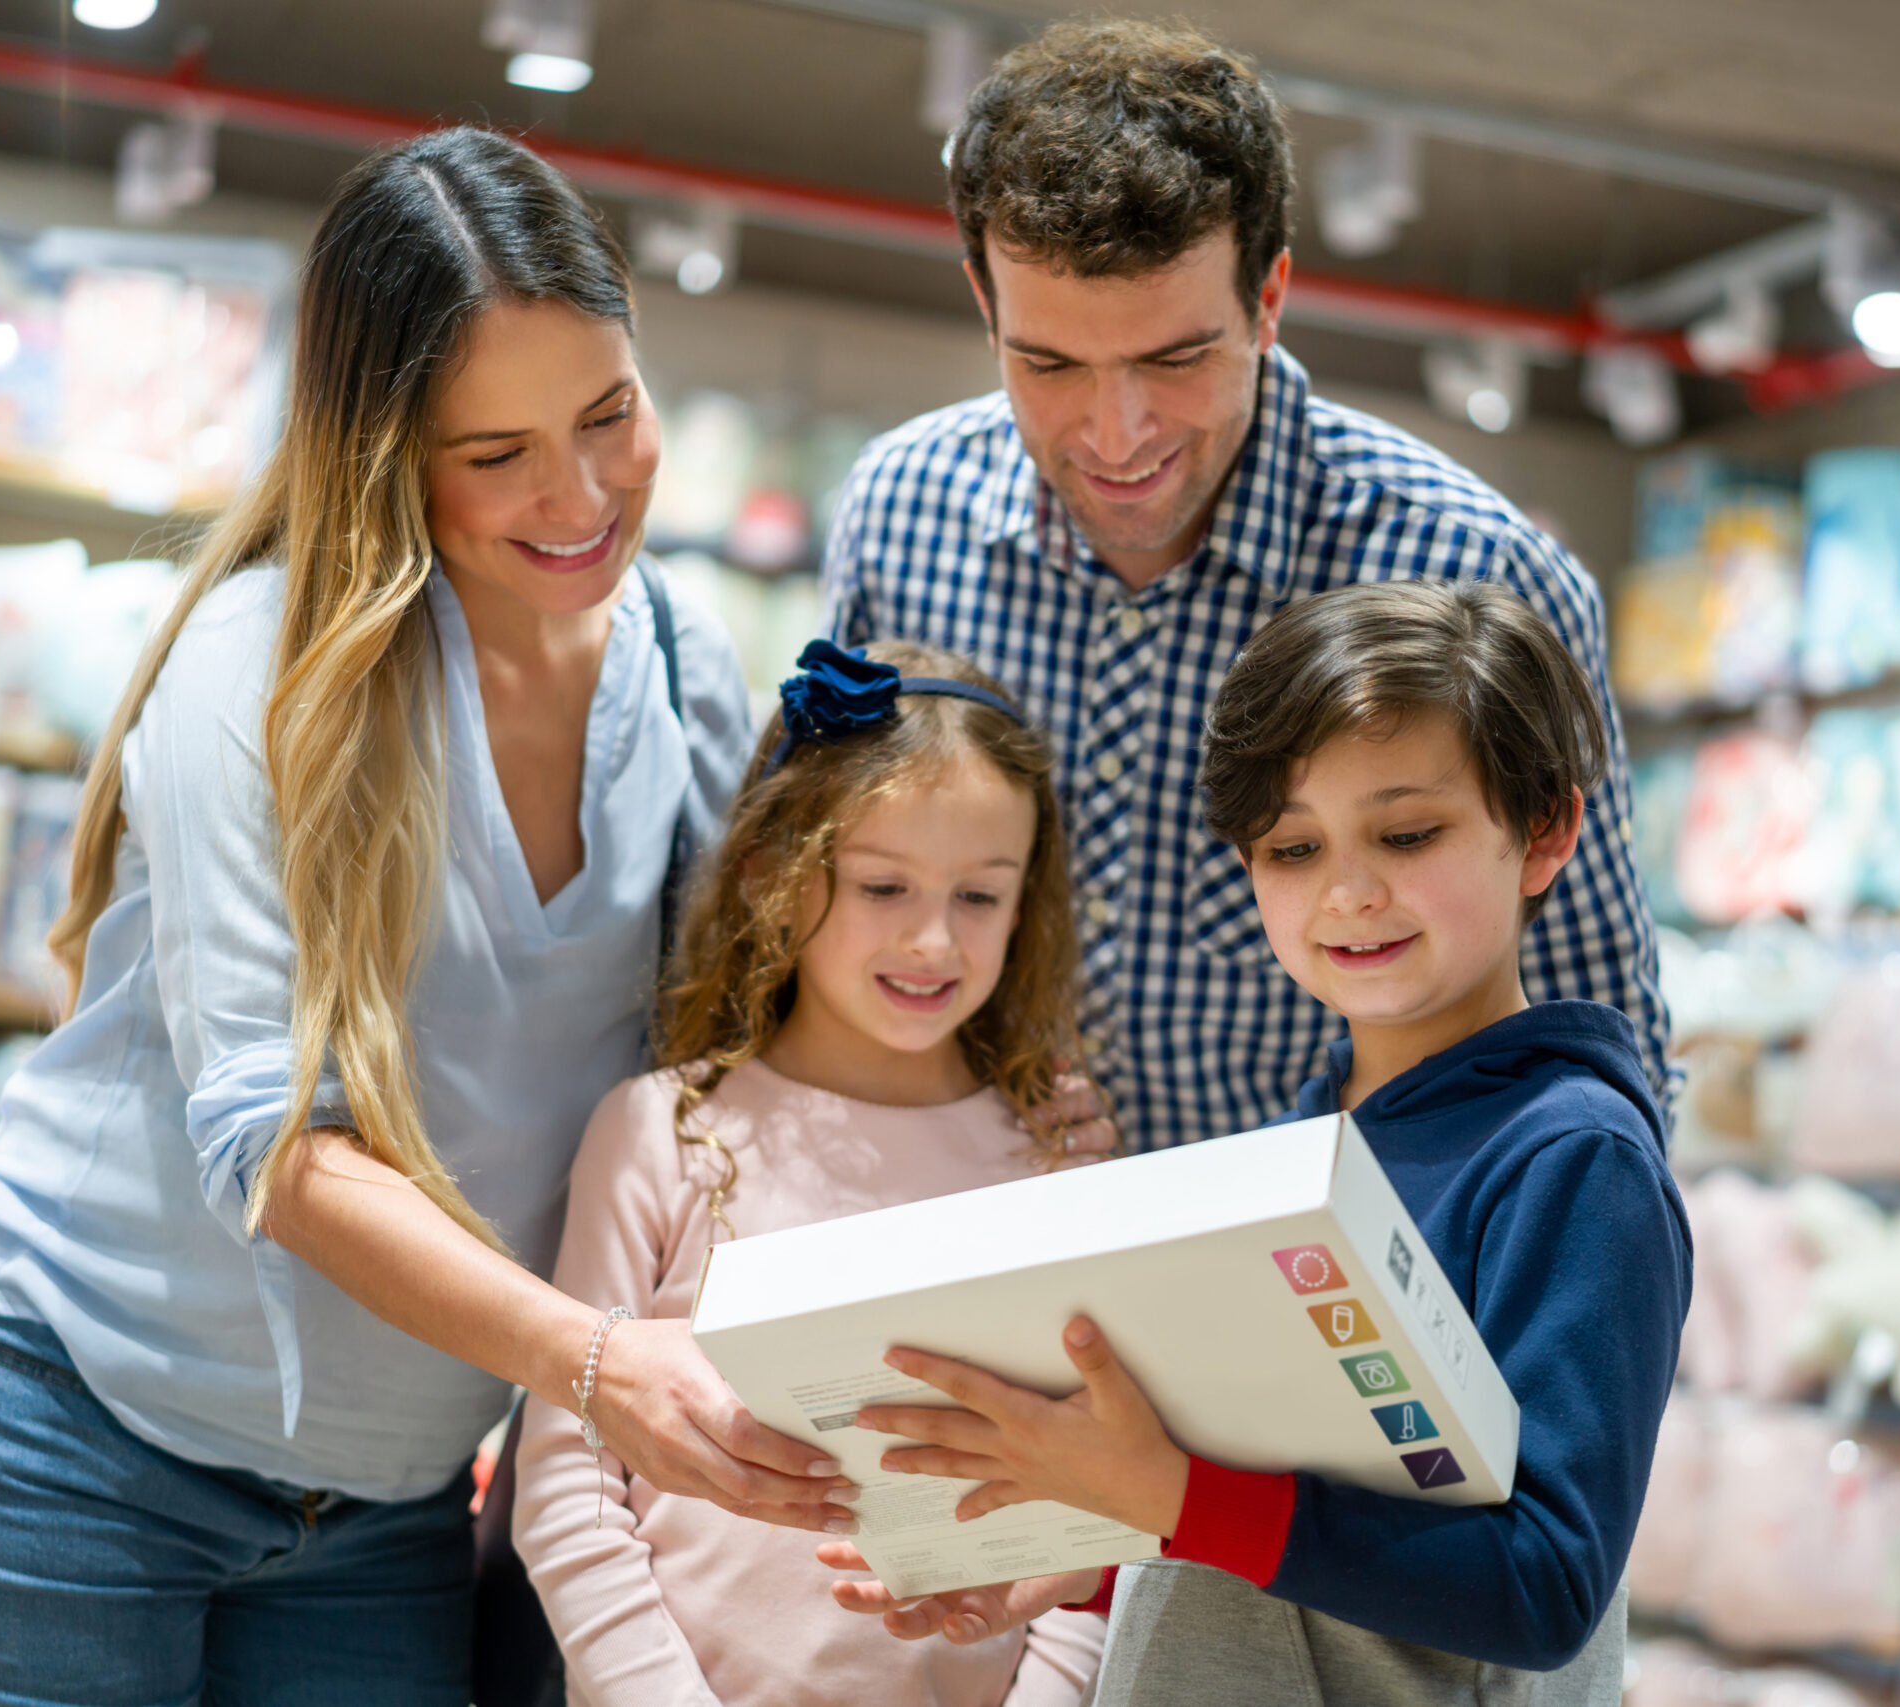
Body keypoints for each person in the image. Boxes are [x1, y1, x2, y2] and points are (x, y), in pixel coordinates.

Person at [0, 128, 856, 1707]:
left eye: (608, 413)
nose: (582, 494)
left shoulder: (677, 660)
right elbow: (280, 1149)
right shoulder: (264, 671)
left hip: (378, 1497)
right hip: (57, 1423)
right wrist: (593, 1362)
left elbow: (724, 1058)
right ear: (386, 453)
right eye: (497, 451)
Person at [820, 581, 1693, 1707]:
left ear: (1543, 832)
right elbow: (1268, 1513)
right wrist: (1074, 1556)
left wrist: (1175, 1499)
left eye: (1407, 832)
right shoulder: (1301, 1142)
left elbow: (1545, 1587)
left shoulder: (1574, 1161)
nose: (1348, 890)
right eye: (1291, 850)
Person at [822, 19, 1671, 1154]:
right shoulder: (898, 513)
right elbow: (817, 901)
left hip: (1321, 1284)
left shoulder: (1474, 574)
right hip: (974, 1232)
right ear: (985, 303)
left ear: (1267, 299)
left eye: (1175, 360)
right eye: (1048, 364)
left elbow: (1589, 1026)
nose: (1115, 434)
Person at [512, 639, 1107, 1706]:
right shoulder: (662, 1132)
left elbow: (1103, 1506)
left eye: (980, 895)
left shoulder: (1062, 1158)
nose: (933, 939)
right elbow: (568, 1480)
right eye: (884, 885)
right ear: (774, 878)